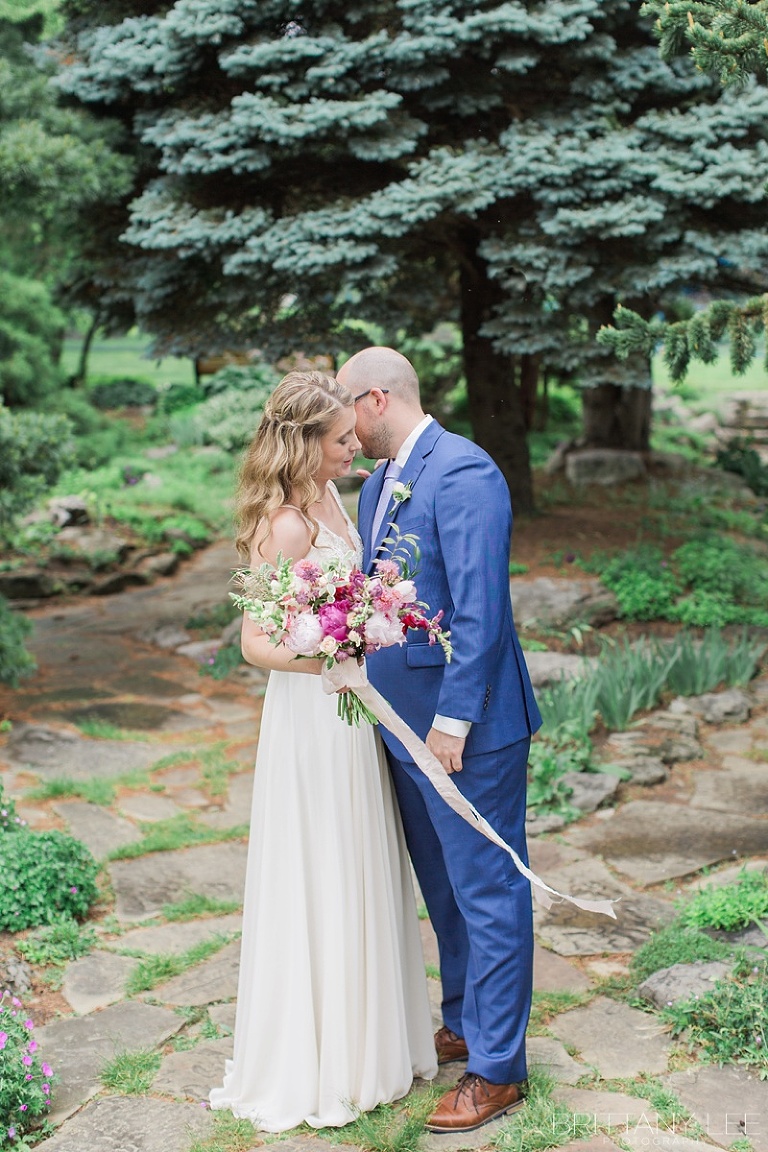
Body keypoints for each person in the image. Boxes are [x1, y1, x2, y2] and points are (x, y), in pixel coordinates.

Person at [209, 370, 437, 1132]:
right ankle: (322, 1061)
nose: (354, 446)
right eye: (340, 439)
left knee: (363, 860)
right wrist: (336, 658)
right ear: (304, 442)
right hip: (312, 718)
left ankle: (371, 1045)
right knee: (324, 866)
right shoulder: (283, 525)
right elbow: (254, 644)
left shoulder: (338, 496)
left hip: (352, 715)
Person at [336, 347, 542, 1135]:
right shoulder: (379, 483)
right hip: (401, 727)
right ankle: (465, 1020)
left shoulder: (465, 473)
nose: (343, 427)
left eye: (346, 408)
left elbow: (481, 610)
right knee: (446, 890)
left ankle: (498, 1070)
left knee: (488, 889)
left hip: (466, 732)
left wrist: (453, 723)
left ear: (376, 398)